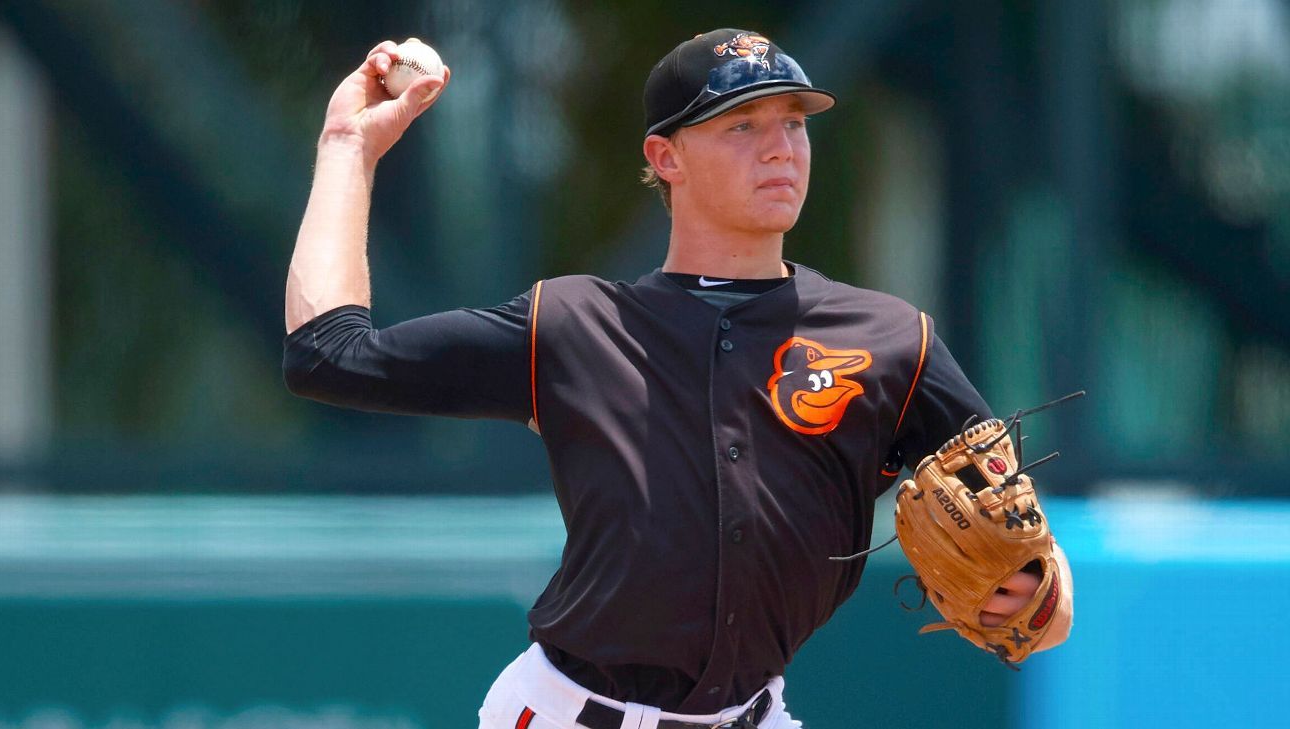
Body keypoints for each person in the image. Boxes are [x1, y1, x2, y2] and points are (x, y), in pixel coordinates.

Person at [283, 28, 1071, 729]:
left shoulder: (894, 340)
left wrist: (1037, 588)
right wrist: (346, 149)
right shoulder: (573, 325)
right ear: (666, 157)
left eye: (794, 123)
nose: (780, 147)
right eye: (741, 125)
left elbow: (1029, 554)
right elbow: (330, 354)